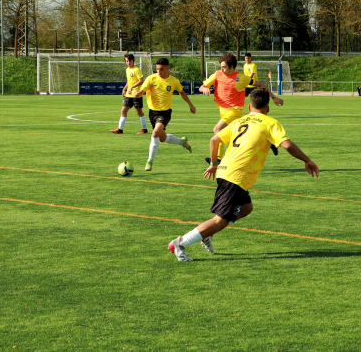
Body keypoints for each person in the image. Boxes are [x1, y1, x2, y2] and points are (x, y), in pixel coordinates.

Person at [168, 88, 319, 262]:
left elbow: (214, 139)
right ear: (268, 108)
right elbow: (286, 144)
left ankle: (207, 234)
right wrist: (307, 160)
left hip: (227, 170)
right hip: (236, 175)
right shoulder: (270, 122)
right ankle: (180, 243)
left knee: (246, 208)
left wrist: (214, 163)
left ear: (249, 106)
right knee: (220, 221)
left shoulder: (240, 120)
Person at [199, 53, 283, 164]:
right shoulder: (217, 74)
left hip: (234, 111)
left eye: (224, 67)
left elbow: (260, 84)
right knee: (241, 135)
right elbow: (202, 86)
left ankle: (217, 160)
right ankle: (268, 141)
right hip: (222, 111)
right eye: (221, 67)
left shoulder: (241, 78)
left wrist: (274, 97)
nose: (222, 69)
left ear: (232, 66)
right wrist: (204, 89)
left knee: (217, 130)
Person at [132, 58, 196, 172]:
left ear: (167, 68)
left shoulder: (174, 81)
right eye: (157, 69)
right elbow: (142, 90)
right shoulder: (151, 78)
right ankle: (183, 142)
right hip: (152, 112)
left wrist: (191, 105)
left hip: (165, 113)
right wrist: (138, 94)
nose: (159, 72)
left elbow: (182, 92)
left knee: (155, 133)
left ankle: (149, 161)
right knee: (162, 138)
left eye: (161, 69)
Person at [110, 54, 148, 134]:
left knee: (138, 112)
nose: (128, 62)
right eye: (126, 61)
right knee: (123, 110)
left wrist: (132, 87)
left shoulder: (136, 69)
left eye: (130, 60)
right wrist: (125, 89)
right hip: (128, 94)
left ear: (133, 61)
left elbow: (141, 81)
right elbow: (129, 81)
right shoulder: (127, 70)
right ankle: (120, 129)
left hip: (136, 94)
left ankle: (144, 129)